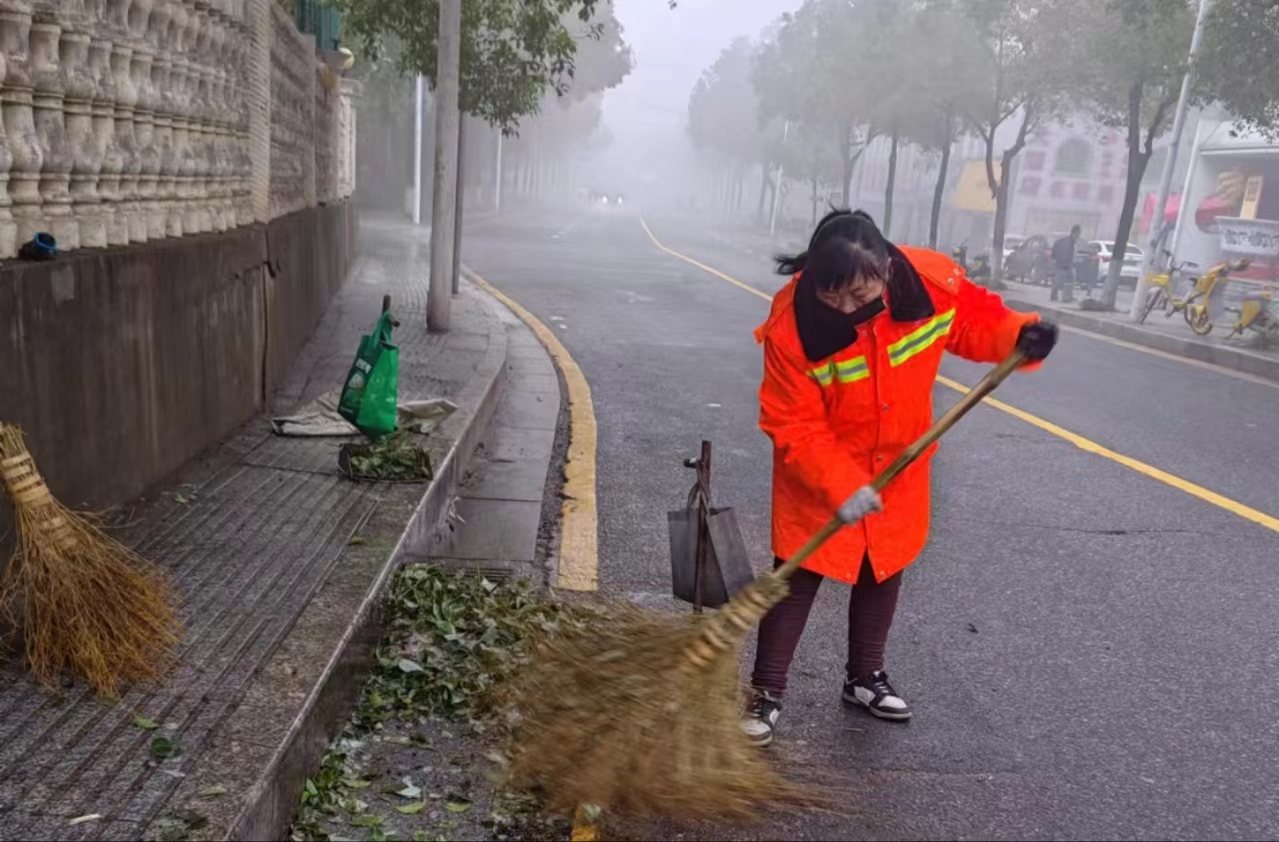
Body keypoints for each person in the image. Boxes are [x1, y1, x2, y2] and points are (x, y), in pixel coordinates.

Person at [744, 209, 1057, 747]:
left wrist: (1019, 336)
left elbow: (975, 322)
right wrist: (840, 485)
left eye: (859, 293)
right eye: (832, 295)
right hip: (819, 469)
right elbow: (792, 420)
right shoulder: (791, 326)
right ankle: (766, 691)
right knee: (797, 576)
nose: (846, 308)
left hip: (900, 464)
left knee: (884, 566)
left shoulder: (928, 284)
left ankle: (864, 677)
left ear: (886, 269)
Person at [1050, 225, 1081, 302]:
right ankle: (1056, 296)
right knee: (1059, 281)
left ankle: (1067, 296)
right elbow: (1065, 254)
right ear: (1074, 233)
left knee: (1069, 280)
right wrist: (1065, 265)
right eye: (1078, 233)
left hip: (1066, 264)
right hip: (1063, 265)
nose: (1079, 235)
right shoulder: (1068, 242)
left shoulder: (1071, 241)